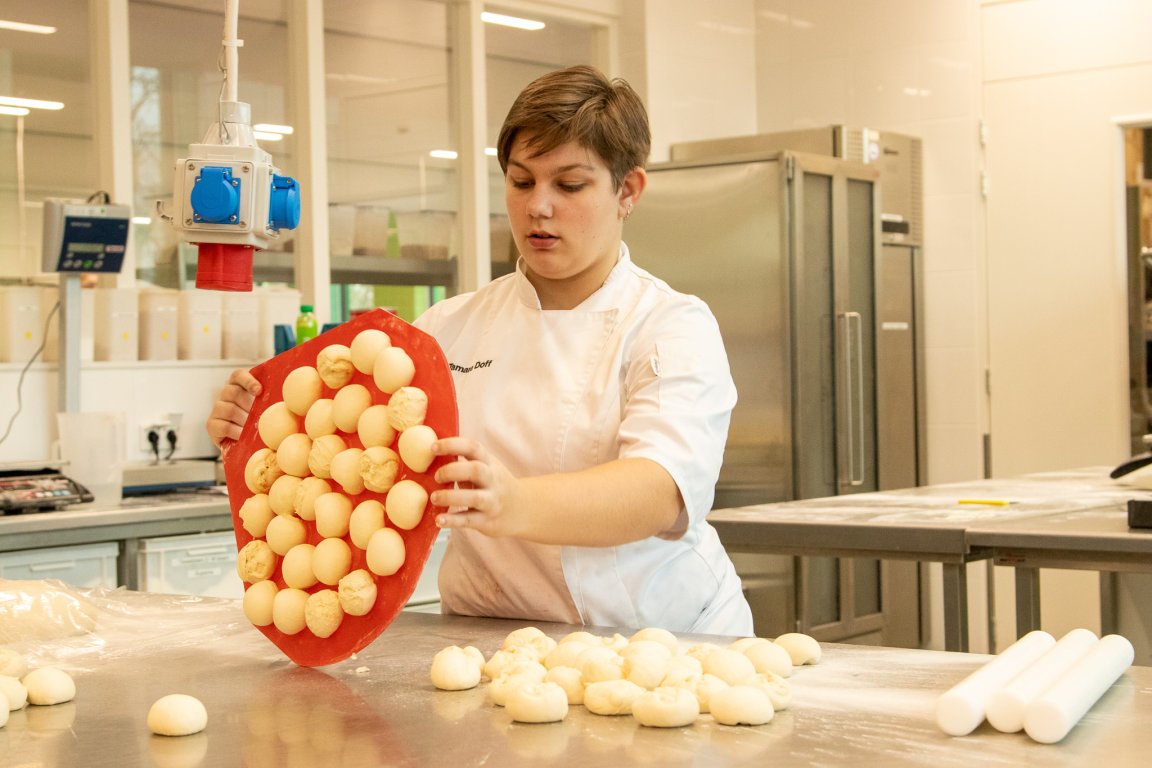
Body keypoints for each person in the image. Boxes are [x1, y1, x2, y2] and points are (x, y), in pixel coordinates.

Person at [207, 65, 753, 636]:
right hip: (485, 636)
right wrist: (253, 425)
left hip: (657, 638)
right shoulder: (447, 328)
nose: (538, 206)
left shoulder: (669, 325)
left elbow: (660, 491)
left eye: (569, 185)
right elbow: (344, 456)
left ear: (627, 192)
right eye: (521, 182)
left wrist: (514, 503)